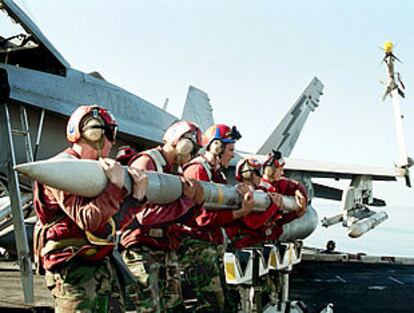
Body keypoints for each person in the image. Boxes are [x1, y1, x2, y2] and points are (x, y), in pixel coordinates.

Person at [33, 105, 146, 312]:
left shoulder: (95, 169)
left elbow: (111, 223)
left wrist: (136, 199)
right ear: (94, 133)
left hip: (101, 266)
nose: (112, 142)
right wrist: (114, 187)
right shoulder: (63, 168)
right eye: (110, 134)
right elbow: (89, 220)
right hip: (74, 270)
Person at [120, 120, 204, 313]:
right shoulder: (147, 162)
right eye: (193, 148)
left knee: (174, 307)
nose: (193, 155)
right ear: (181, 141)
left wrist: (195, 204)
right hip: (142, 249)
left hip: (165, 248)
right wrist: (186, 201)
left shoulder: (174, 170)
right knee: (149, 308)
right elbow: (143, 216)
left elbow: (180, 216)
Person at [173, 124, 254, 313]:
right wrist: (240, 212)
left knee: (227, 303)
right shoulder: (197, 171)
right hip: (197, 246)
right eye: (231, 149)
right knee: (212, 305)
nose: (233, 155)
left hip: (210, 246)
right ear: (217, 147)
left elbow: (220, 211)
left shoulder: (216, 175)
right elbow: (202, 218)